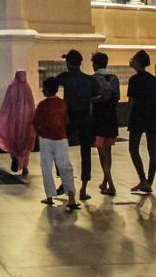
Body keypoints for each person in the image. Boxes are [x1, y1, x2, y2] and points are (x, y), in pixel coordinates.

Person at [56, 49, 96, 200]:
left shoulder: (65, 77)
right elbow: (98, 95)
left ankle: (65, 182)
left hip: (70, 118)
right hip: (86, 117)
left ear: (69, 63)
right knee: (86, 154)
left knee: (61, 150)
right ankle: (83, 189)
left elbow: (52, 83)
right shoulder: (89, 80)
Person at [33, 77, 77, 211]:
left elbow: (35, 122)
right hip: (61, 139)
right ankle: (71, 197)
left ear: (46, 89)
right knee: (65, 167)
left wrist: (39, 132)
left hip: (46, 139)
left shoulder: (42, 105)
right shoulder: (62, 103)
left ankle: (50, 196)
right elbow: (66, 121)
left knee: (46, 167)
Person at [0, 70, 35, 178]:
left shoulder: (12, 87)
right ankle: (24, 166)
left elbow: (7, 105)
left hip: (15, 120)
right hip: (24, 121)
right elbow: (30, 105)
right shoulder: (26, 88)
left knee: (15, 140)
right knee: (23, 142)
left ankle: (17, 159)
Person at [128, 50, 156, 194]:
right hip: (152, 117)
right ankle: (149, 181)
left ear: (138, 62)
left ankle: (142, 179)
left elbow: (131, 101)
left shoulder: (134, 80)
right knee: (152, 150)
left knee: (133, 148)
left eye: (134, 59)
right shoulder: (153, 79)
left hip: (138, 116)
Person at [90, 52, 122, 196]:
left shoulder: (93, 80)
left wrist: (95, 100)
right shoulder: (114, 79)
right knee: (108, 151)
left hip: (98, 119)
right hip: (112, 118)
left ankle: (111, 184)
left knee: (101, 150)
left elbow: (92, 99)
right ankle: (105, 182)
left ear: (94, 64)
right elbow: (117, 98)